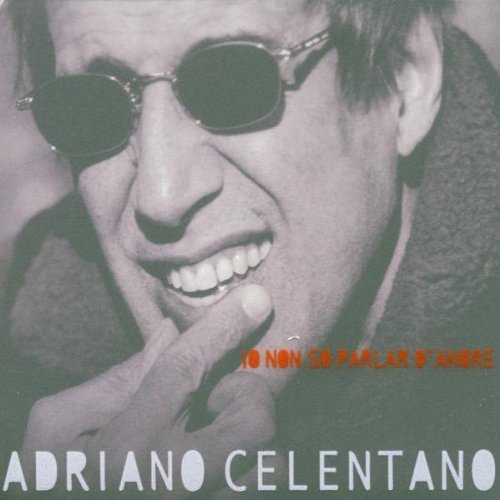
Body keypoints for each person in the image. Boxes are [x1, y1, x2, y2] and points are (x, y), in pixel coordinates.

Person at [1, 0, 499, 498]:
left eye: (231, 81)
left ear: (403, 79)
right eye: (90, 104)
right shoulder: (18, 364)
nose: (162, 196)